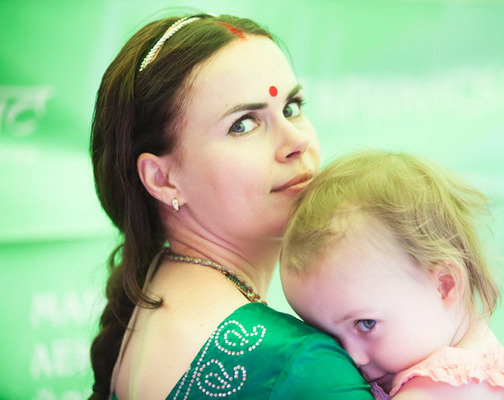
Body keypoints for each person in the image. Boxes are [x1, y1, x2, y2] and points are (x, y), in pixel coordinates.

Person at [88, 13, 375, 400]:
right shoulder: (301, 368)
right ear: (162, 179)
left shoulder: (149, 303)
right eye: (243, 124)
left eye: (291, 107)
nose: (297, 142)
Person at [280, 151, 504, 400]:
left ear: (444, 285)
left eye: (366, 324)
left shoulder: (440, 390)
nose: (353, 357)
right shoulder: (503, 376)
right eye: (329, 337)